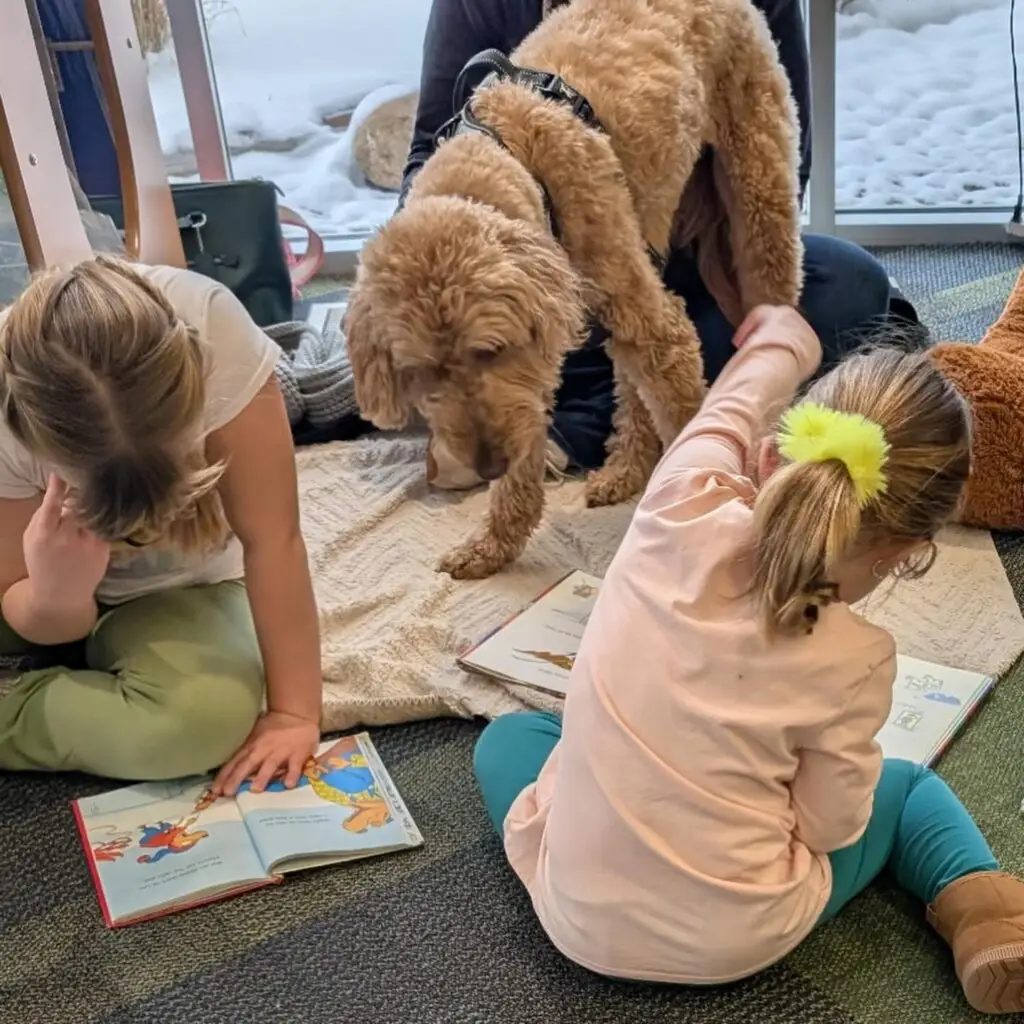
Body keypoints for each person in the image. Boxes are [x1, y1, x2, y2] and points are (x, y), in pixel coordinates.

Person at [473, 305, 1024, 1016]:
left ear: (768, 459)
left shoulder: (675, 502)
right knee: (909, 791)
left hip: (576, 924)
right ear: (907, 555)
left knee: (511, 739)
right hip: (737, 939)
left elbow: (726, 410)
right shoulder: (857, 658)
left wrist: (783, 343)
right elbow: (830, 830)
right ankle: (983, 909)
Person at [402, 0, 899, 472]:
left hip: (695, 257)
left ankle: (582, 416)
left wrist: (725, 267)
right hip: (530, 284)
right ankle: (603, 402)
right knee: (458, 336)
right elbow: (430, 145)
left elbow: (780, 170)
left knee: (849, 286)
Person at [0, 257, 322, 796]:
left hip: (171, 595)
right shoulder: (11, 401)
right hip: (42, 586)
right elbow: (18, 593)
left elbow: (274, 540)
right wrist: (57, 599)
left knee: (203, 719)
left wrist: (294, 712)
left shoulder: (213, 324)